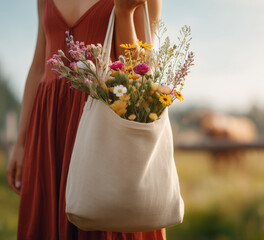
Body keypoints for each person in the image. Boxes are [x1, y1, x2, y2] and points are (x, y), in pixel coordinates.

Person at [6, 0, 165, 239]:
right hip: (49, 126)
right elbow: (39, 67)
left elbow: (141, 75)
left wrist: (124, 12)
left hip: (104, 122)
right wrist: (21, 142)